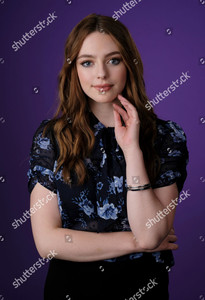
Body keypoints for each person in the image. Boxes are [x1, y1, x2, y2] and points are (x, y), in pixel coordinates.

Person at [27, 13, 189, 300]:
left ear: (129, 64)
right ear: (74, 69)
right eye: (87, 62)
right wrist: (135, 242)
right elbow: (48, 243)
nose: (101, 74)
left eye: (113, 60)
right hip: (69, 291)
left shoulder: (166, 137)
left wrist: (132, 149)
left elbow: (151, 235)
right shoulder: (51, 137)